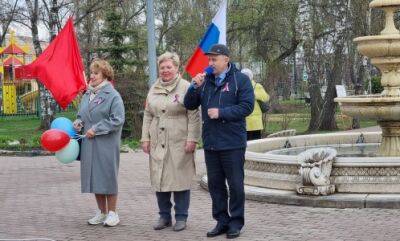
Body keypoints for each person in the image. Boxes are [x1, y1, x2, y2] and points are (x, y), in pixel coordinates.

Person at [184, 44, 254, 239]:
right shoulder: (205, 81)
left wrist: (221, 113)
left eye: (214, 59)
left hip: (232, 142)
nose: (210, 63)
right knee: (215, 185)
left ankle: (236, 222)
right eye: (209, 59)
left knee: (236, 184)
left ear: (226, 60)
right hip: (211, 142)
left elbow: (247, 107)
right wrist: (193, 86)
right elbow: (189, 104)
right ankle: (221, 221)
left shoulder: (240, 80)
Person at [141, 52, 201, 232]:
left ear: (176, 68)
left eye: (169, 67)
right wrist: (145, 138)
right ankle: (164, 216)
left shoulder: (186, 87)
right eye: (162, 67)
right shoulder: (153, 88)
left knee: (180, 177)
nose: (165, 70)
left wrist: (192, 139)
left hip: (179, 139)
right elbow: (147, 114)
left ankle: (181, 217)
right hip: (158, 139)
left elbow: (194, 115)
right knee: (159, 177)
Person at [73, 59, 125, 227]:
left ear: (105, 75)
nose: (92, 76)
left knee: (108, 176)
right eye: (91, 73)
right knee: (94, 177)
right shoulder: (87, 94)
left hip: (106, 144)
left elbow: (117, 119)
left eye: (96, 73)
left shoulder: (113, 95)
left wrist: (96, 128)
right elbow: (82, 114)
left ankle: (113, 213)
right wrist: (78, 122)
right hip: (89, 143)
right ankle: (102, 212)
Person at [241, 68, 270, 140]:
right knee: (255, 143)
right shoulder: (256, 86)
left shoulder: (240, 86)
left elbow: (265, 97)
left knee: (246, 144)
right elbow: (266, 97)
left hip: (247, 121)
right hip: (253, 122)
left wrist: (253, 94)